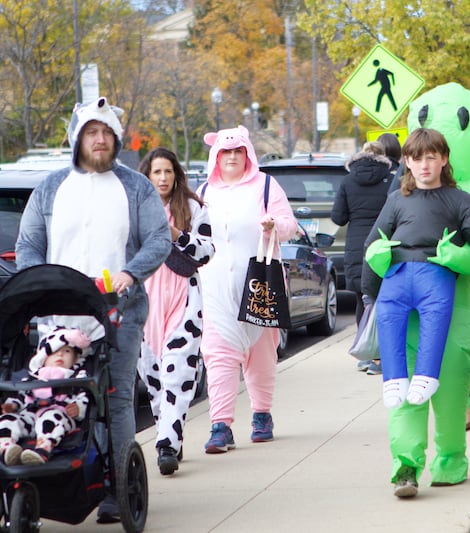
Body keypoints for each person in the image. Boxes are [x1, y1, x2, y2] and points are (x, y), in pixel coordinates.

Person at [15, 97, 172, 523]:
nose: (99, 140)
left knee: (115, 401)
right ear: (76, 138)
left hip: (117, 315)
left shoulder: (135, 187)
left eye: (106, 133)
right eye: (91, 132)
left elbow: (159, 239)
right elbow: (29, 244)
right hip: (58, 319)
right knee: (48, 396)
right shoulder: (50, 187)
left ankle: (116, 488)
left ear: (117, 139)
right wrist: (38, 283)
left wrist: (130, 273)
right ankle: (49, 479)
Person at [362, 127, 470, 497]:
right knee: (404, 394)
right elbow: (373, 245)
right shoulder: (397, 201)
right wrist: (370, 291)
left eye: (431, 157)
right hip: (405, 311)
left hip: (452, 313)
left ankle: (449, 460)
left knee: (448, 395)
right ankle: (406, 466)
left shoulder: (461, 202)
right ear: (407, 162)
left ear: (443, 159)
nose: (424, 165)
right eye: (417, 158)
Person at [198, 125, 297, 455]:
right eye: (226, 152)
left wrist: (273, 225)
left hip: (259, 284)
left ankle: (261, 415)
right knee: (218, 356)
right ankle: (220, 426)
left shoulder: (266, 185)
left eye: (238, 151)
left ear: (247, 154)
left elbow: (290, 225)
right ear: (216, 156)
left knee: (260, 355)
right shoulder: (204, 191)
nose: (232, 157)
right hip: (215, 289)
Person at [137, 148, 215, 476]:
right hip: (145, 302)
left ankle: (166, 443)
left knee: (177, 373)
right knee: (154, 380)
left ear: (177, 174)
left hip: (183, 299)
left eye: (168, 172)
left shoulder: (193, 207)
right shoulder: (135, 208)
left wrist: (176, 235)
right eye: (157, 172)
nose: (163, 178)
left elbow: (208, 250)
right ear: (148, 175)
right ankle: (170, 432)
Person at [331, 141, 393, 376]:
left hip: (357, 245)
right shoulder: (390, 179)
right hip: (384, 242)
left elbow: (338, 217)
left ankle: (366, 354)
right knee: (385, 299)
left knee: (361, 299)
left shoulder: (348, 181)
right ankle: (382, 356)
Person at [0, 327, 92, 466]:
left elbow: (84, 397)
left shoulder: (76, 377)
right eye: (54, 351)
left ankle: (43, 449)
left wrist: (78, 408)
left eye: (66, 351)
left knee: (51, 418)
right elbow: (21, 396)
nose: (60, 354)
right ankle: (7, 447)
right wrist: (12, 405)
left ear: (75, 359)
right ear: (43, 357)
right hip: (29, 416)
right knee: (7, 420)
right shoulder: (32, 377)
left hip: (60, 414)